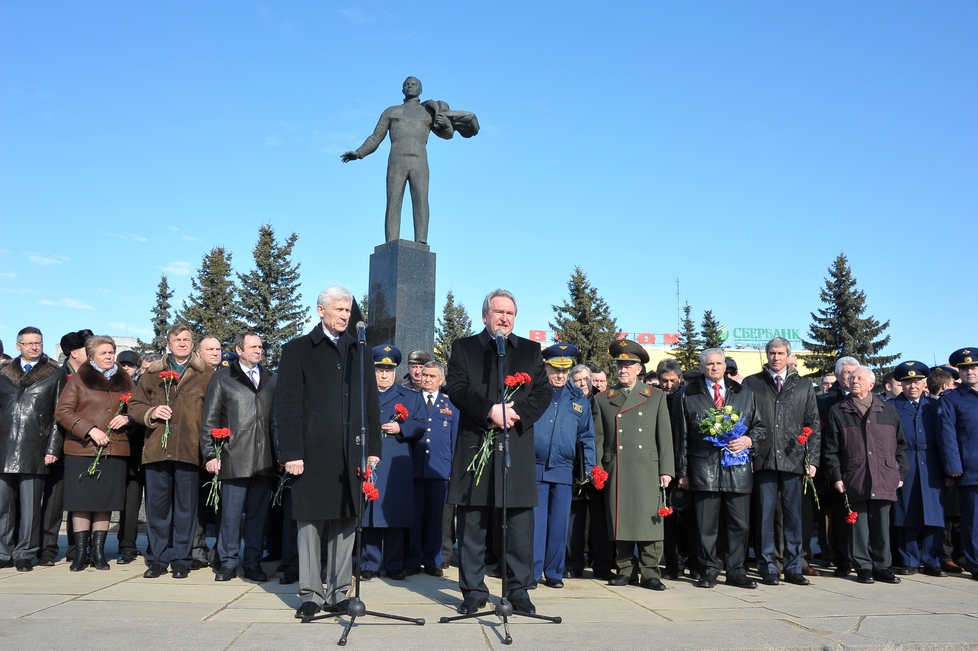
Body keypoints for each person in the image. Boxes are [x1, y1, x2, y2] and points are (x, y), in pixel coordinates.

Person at [276, 287, 382, 619]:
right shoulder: (297, 349)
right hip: (311, 451)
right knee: (310, 522)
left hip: (351, 452)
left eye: (348, 310)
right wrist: (292, 451)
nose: (345, 315)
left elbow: (371, 404)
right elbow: (287, 406)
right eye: (338, 309)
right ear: (320, 310)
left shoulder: (359, 350)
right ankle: (310, 593)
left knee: (345, 519)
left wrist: (373, 449)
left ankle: (338, 593)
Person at [445, 289, 551, 616]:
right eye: (498, 312)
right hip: (476, 445)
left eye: (510, 313)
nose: (504, 318)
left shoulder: (531, 351)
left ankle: (519, 591)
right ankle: (474, 592)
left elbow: (543, 392)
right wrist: (489, 411)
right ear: (485, 316)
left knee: (518, 526)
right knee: (472, 526)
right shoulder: (464, 348)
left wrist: (515, 414)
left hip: (514, 447)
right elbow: (457, 388)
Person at [341, 76, 479, 244]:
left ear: (421, 90)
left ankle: (421, 240)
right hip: (396, 160)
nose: (410, 86)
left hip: (419, 160)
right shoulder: (391, 111)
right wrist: (359, 152)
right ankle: (391, 241)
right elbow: (375, 137)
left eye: (414, 84)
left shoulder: (428, 112)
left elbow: (447, 135)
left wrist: (446, 124)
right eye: (406, 84)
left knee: (421, 199)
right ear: (402, 89)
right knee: (393, 200)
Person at [129, 324, 214, 579]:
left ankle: (181, 559)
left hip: (189, 449)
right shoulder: (153, 373)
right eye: (177, 340)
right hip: (157, 448)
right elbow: (134, 405)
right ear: (168, 344)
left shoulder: (206, 373)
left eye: (186, 339)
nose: (182, 343)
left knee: (186, 509)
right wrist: (151, 413)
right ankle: (157, 558)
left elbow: (215, 409)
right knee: (157, 508)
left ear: (192, 343)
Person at [677, 348, 766, 589]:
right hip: (703, 467)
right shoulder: (688, 394)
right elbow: (682, 436)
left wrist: (749, 441)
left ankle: (736, 570)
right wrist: (683, 472)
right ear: (702, 367)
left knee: (740, 524)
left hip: (737, 467)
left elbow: (759, 427)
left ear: (725, 366)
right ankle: (708, 570)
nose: (714, 368)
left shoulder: (745, 393)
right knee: (706, 525)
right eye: (709, 364)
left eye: (719, 363)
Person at [593, 340, 674, 590]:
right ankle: (625, 568)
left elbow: (665, 436)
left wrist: (666, 470)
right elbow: (598, 438)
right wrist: (597, 469)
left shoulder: (656, 397)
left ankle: (651, 571)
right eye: (619, 365)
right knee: (622, 518)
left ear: (639, 369)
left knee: (649, 519)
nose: (623, 370)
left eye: (628, 365)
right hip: (617, 466)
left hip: (648, 467)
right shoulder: (604, 399)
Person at [743, 337, 821, 586]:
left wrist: (813, 459)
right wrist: (749, 455)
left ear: (789, 355)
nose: (776, 357)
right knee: (765, 516)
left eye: (780, 353)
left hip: (793, 459)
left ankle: (793, 566)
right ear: (767, 355)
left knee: (793, 517)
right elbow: (744, 423)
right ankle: (767, 566)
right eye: (772, 353)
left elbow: (813, 424)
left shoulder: (803, 385)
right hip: (763, 459)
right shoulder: (752, 383)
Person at [201, 332, 277, 582]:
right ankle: (228, 562)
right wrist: (211, 454)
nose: (258, 350)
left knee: (258, 517)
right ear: (239, 349)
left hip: (263, 459)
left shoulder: (271, 379)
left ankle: (253, 562)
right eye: (253, 346)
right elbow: (209, 420)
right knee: (230, 515)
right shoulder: (223, 378)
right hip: (233, 456)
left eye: (260, 347)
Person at [823, 366, 909, 584]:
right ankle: (862, 566)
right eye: (852, 378)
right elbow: (831, 449)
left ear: (872, 384)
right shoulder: (838, 411)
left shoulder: (887, 410)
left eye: (860, 378)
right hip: (855, 476)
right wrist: (837, 475)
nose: (854, 381)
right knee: (858, 525)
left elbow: (900, 445)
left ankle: (882, 566)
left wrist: (900, 472)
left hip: (884, 476)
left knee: (881, 524)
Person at [56, 335, 135, 571]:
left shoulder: (127, 381)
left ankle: (99, 552)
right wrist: (89, 429)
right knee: (81, 502)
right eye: (104, 353)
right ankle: (81, 553)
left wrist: (129, 418)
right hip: (82, 449)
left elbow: (137, 409)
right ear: (91, 357)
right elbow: (63, 411)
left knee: (104, 502)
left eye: (111, 352)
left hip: (115, 448)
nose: (109, 356)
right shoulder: (79, 380)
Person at [531, 344, 596, 589]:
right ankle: (533, 572)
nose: (559, 375)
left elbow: (587, 436)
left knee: (559, 524)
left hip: (564, 469)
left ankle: (554, 572)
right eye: (554, 369)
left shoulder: (579, 400)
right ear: (545, 367)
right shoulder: (534, 394)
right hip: (535, 466)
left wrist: (587, 468)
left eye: (564, 370)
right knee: (536, 524)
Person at [0, 327, 62, 571]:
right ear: (18, 346)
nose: (34, 347)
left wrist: (53, 447)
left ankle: (25, 553)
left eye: (38, 342)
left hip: (35, 446)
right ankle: (3, 552)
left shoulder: (54, 374)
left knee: (31, 507)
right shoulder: (4, 373)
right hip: (4, 447)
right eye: (29, 343)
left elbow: (58, 414)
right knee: (3, 505)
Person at [362, 345, 425, 581]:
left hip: (396, 459)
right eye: (380, 370)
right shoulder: (364, 394)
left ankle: (394, 563)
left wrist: (401, 428)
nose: (384, 374)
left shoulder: (410, 396)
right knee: (369, 512)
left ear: (396, 371)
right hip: (370, 457)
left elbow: (420, 424)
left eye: (389, 370)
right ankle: (369, 563)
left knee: (394, 512)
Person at [37, 328, 91, 567]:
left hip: (83, 446)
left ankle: (76, 548)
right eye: (85, 349)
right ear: (73, 353)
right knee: (54, 500)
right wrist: (52, 447)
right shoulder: (57, 376)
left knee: (79, 501)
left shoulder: (92, 377)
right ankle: (48, 548)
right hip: (58, 445)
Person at [889, 361, 946, 577]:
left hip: (931, 464)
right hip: (906, 463)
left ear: (924, 383)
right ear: (901, 385)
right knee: (907, 513)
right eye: (907, 382)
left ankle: (933, 561)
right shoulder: (891, 407)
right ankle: (909, 560)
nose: (912, 386)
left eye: (917, 382)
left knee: (934, 514)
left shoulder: (935, 406)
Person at [406, 360, 458, 576]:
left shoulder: (451, 406)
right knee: (414, 516)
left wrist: (452, 471)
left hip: (439, 469)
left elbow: (454, 440)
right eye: (424, 375)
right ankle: (412, 559)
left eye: (432, 376)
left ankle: (433, 561)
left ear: (441, 379)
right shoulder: (410, 400)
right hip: (414, 468)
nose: (426, 379)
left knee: (436, 518)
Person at [565, 364, 616, 581]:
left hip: (598, 467)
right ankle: (573, 564)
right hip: (573, 467)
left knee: (600, 521)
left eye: (587, 379)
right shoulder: (567, 400)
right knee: (574, 522)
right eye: (578, 380)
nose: (583, 384)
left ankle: (602, 565)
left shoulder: (602, 400)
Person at [656, 358, 700, 582]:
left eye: (673, 380)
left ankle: (694, 563)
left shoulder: (687, 399)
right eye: (664, 380)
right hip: (663, 468)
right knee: (668, 522)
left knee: (691, 521)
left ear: (680, 379)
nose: (668, 385)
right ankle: (673, 564)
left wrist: (685, 471)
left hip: (685, 468)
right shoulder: (656, 398)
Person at [818, 356, 861, 576]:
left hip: (861, 467)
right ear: (836, 375)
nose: (851, 377)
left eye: (855, 372)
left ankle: (862, 557)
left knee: (861, 516)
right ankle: (842, 559)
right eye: (846, 373)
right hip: (834, 468)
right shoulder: (824, 402)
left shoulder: (868, 400)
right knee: (839, 516)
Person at [938, 348, 978, 581]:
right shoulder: (952, 399)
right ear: (958, 373)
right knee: (972, 522)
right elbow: (947, 435)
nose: (969, 371)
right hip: (971, 469)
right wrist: (954, 468)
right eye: (964, 369)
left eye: (973, 367)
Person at [115, 349, 145, 564]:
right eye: (123, 364)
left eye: (131, 365)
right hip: (123, 450)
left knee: (140, 502)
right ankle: (125, 544)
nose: (126, 368)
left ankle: (133, 545)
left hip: (145, 451)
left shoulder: (144, 385)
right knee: (127, 501)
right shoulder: (114, 384)